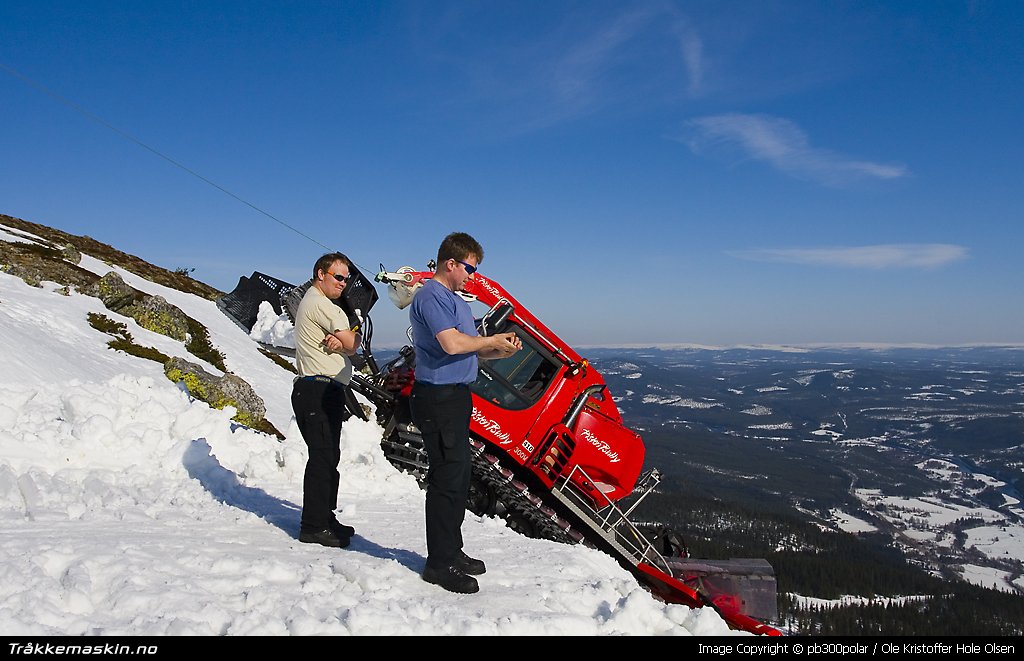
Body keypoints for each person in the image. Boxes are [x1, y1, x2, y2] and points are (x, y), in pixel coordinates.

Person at [409, 232, 521, 593]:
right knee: (445, 478)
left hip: (456, 396)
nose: (473, 276)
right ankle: (438, 564)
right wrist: (488, 341)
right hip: (437, 397)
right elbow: (452, 343)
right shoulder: (430, 297)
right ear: (451, 263)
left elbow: (469, 351)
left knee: (459, 476)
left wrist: (500, 349)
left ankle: (451, 550)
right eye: (470, 269)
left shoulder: (456, 302)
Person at [291, 252, 362, 548]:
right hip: (316, 390)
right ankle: (313, 526)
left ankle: (325, 516)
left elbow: (348, 342)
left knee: (328, 456)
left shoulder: (319, 303)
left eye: (346, 278)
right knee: (322, 457)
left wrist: (345, 341)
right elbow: (354, 344)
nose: (344, 283)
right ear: (321, 274)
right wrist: (347, 342)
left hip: (324, 390)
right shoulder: (321, 303)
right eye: (338, 277)